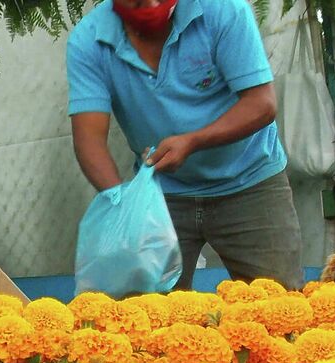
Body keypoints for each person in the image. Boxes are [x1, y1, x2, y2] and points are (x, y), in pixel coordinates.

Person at [65, 0, 303, 291]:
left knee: (280, 310)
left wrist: (192, 142)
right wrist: (123, 205)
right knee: (149, 320)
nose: (150, 3)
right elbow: (89, 139)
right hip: (160, 195)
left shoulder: (223, 9)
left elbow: (262, 104)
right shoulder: (89, 39)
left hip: (249, 180)